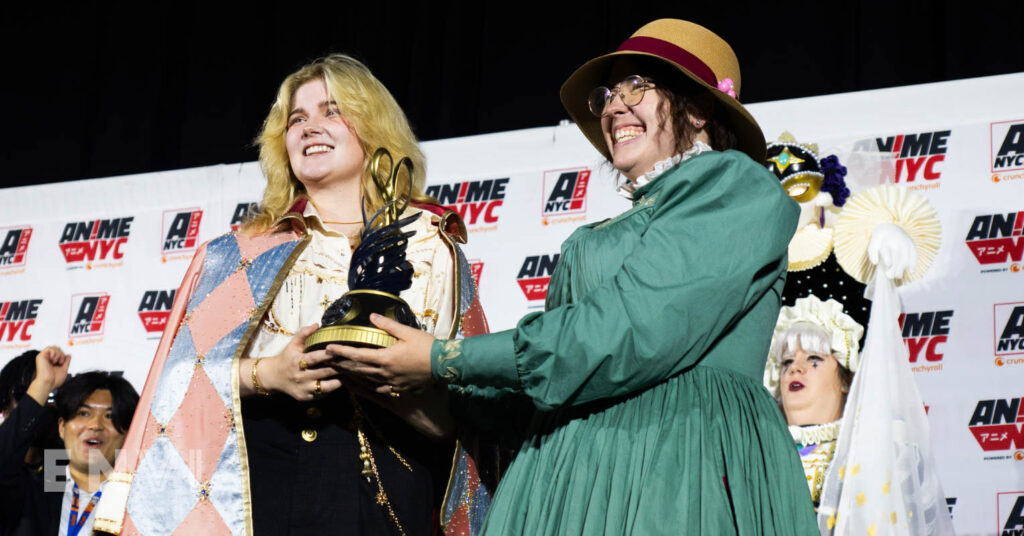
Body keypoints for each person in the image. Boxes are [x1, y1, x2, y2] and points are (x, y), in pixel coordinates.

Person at [333, 19, 818, 534]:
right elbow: (547, 383)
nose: (612, 106)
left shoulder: (736, 187)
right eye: (607, 94)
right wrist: (401, 377)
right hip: (566, 479)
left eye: (636, 86)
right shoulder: (588, 239)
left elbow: (632, 328)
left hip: (683, 463)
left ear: (698, 109)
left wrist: (443, 358)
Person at [92, 54, 482, 536]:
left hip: (393, 487)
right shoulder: (239, 253)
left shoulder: (435, 243)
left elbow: (470, 421)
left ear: (374, 125)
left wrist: (395, 387)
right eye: (297, 118)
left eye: (331, 111)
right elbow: (174, 386)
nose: (309, 127)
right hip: (267, 488)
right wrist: (268, 374)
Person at [765, 293, 954, 535]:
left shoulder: (880, 449)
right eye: (786, 362)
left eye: (814, 358)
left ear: (846, 380)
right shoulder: (758, 455)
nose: (795, 368)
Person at [0, 346, 140, 536]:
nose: (95, 425)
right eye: (83, 413)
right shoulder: (34, 493)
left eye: (109, 416)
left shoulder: (142, 500)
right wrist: (43, 384)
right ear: (62, 427)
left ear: (129, 431)